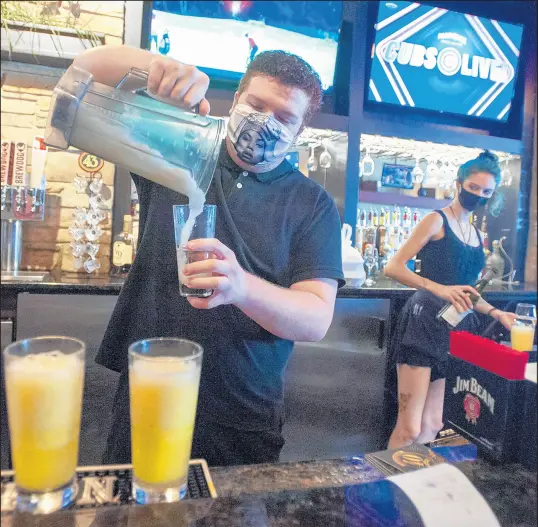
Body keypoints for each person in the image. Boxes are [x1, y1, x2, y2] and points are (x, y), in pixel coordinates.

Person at [72, 46, 345, 466]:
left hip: (243, 417)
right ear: (235, 100)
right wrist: (153, 69)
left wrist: (240, 287)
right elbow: (80, 79)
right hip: (148, 399)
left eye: (284, 118)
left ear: (300, 133)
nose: (265, 122)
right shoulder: (179, 149)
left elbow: (315, 318)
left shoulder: (312, 204)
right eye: (256, 104)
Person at [384, 151, 518, 449]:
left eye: (486, 192)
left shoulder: (474, 233)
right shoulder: (436, 220)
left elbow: (467, 294)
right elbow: (392, 267)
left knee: (434, 424)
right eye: (473, 188)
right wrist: (438, 288)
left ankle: (412, 488)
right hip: (422, 323)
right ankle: (386, 489)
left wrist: (496, 312)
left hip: (453, 329)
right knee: (409, 427)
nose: (479, 195)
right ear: (458, 184)